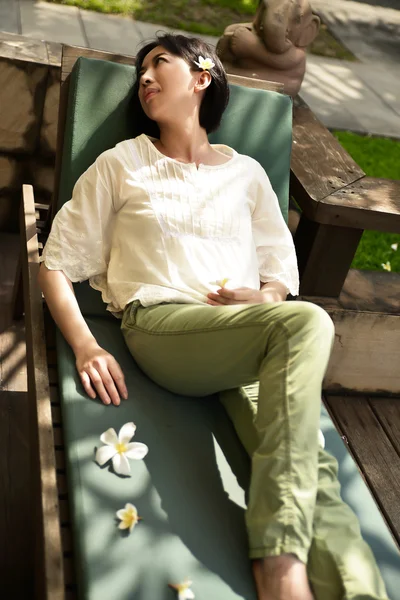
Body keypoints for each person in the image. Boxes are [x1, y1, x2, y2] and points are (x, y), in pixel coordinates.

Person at [38, 33, 388, 600]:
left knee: (316, 475)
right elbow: (55, 264)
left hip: (248, 341)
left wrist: (267, 297)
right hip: (165, 329)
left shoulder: (246, 173)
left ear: (203, 76)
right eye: (140, 72)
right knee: (309, 323)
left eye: (159, 64)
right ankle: (278, 557)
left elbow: (280, 271)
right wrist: (86, 345)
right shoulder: (123, 162)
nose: (145, 77)